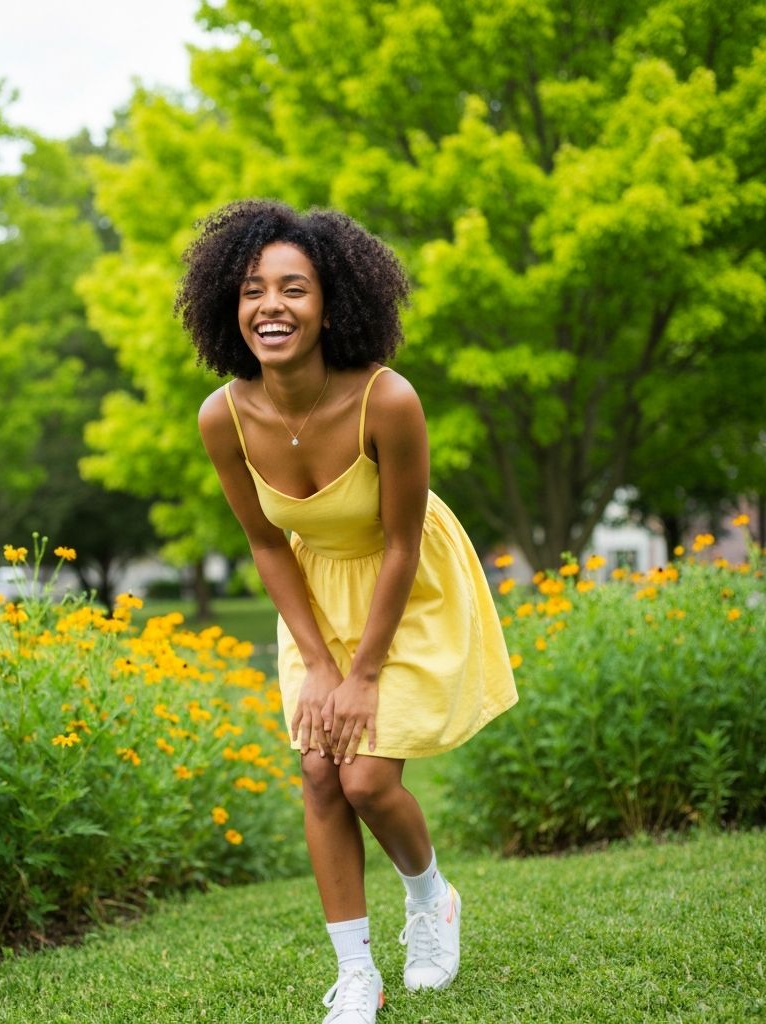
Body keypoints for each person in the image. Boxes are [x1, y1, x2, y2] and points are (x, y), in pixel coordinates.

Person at [177, 199, 518, 1024]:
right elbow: (265, 545)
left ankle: (432, 900)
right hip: (314, 596)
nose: (272, 306)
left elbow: (402, 541)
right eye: (253, 289)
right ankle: (356, 975)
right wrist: (322, 667)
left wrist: (361, 674)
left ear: (333, 303)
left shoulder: (387, 401)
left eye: (294, 288)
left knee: (366, 774)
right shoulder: (223, 417)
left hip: (410, 586)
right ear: (230, 302)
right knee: (320, 771)